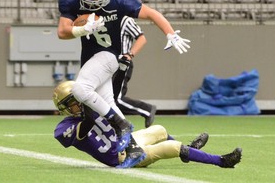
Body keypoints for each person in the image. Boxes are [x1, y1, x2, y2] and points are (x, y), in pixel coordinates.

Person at [57, 0, 190, 154]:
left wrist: (170, 33)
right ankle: (133, 147)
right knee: (108, 102)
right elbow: (62, 32)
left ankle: (121, 124)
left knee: (80, 89)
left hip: (110, 55)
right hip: (90, 59)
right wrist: (83, 29)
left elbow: (152, 14)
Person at [53, 81, 242, 169]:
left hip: (129, 143)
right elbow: (86, 125)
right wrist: (90, 102)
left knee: (160, 130)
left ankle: (189, 151)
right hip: (123, 157)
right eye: (74, 101)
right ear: (65, 108)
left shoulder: (93, 108)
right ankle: (222, 161)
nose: (79, 103)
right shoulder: (64, 128)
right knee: (171, 147)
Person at [112, 16, 157, 128]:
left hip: (121, 64)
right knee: (106, 98)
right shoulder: (103, 18)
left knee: (115, 99)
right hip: (106, 64)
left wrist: (129, 55)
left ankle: (146, 109)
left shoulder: (125, 20)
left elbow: (142, 38)